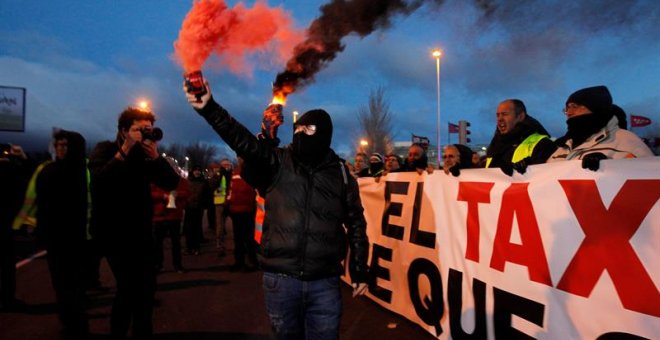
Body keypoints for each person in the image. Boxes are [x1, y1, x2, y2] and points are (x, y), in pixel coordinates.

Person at [184, 80, 369, 339]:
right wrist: (209, 108)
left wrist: (360, 269)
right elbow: (241, 141)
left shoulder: (341, 174)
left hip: (324, 282)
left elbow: (357, 224)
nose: (302, 133)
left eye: (309, 129)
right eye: (299, 128)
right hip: (281, 280)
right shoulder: (278, 161)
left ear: (324, 134)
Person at [89, 107, 179, 339]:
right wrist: (126, 149)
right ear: (123, 131)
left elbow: (171, 182)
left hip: (140, 233)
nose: (144, 135)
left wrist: (156, 157)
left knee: (146, 291)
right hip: (113, 233)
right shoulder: (105, 150)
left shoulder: (145, 156)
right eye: (139, 130)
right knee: (128, 288)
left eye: (148, 130)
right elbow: (99, 183)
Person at [29, 130, 91, 338]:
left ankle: (77, 325)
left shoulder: (81, 171)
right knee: (62, 285)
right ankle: (70, 323)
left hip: (77, 238)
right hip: (56, 238)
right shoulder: (50, 170)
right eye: (58, 145)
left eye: (65, 145)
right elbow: (42, 201)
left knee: (74, 286)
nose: (61, 149)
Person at [548, 86, 653, 169]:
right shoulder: (562, 147)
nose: (568, 113)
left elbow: (648, 177)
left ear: (595, 108)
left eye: (574, 106)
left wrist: (609, 166)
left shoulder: (626, 140)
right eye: (567, 108)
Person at [485, 99, 557, 175]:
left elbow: (550, 178)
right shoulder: (494, 146)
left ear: (520, 116)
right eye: (498, 115)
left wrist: (530, 167)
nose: (499, 119)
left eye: (505, 114)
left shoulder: (543, 144)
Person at [0, 144, 32, 312]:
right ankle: (7, 299)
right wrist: (23, 157)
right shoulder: (12, 170)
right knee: (6, 265)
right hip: (7, 223)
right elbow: (32, 174)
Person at [152, 161, 190, 274]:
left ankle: (177, 265)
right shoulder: (155, 179)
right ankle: (158, 264)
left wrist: (177, 194)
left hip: (174, 215)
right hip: (159, 215)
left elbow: (187, 192)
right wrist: (163, 196)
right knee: (157, 243)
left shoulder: (181, 180)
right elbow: (150, 193)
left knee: (176, 242)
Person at [226, 157, 258, 272]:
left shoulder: (250, 171)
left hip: (247, 210)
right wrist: (228, 203)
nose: (239, 159)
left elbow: (252, 191)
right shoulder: (236, 171)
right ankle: (240, 261)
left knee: (248, 238)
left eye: (241, 157)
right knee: (239, 239)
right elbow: (231, 189)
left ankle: (251, 261)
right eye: (239, 157)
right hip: (237, 210)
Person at [184, 165, 211, 256]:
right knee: (188, 229)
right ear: (192, 171)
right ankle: (189, 247)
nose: (197, 172)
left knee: (196, 228)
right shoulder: (187, 181)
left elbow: (208, 194)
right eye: (196, 170)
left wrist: (204, 204)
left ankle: (196, 247)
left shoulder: (204, 182)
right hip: (189, 207)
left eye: (199, 170)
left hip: (199, 207)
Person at [210, 158, 232, 255]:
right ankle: (220, 246)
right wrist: (217, 176)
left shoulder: (233, 174)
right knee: (220, 226)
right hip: (220, 203)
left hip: (232, 202)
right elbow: (211, 185)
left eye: (227, 164)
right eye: (224, 165)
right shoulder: (217, 175)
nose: (226, 166)